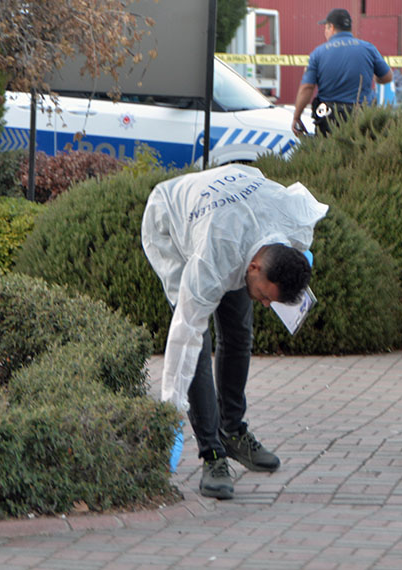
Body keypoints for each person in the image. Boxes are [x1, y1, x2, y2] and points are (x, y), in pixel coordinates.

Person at [141, 164, 328, 499]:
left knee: (239, 333)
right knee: (199, 344)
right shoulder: (212, 260)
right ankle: (212, 454)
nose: (268, 305)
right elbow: (185, 335)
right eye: (267, 297)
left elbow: (299, 245)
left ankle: (233, 431)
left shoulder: (287, 221)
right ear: (254, 267)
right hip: (170, 224)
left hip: (236, 214)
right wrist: (170, 414)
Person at [291, 8, 392, 137]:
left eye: (326, 28)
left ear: (331, 27)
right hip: (363, 119)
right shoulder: (368, 48)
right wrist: (376, 78)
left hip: (330, 121)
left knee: (328, 154)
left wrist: (297, 117)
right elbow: (387, 77)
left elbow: (307, 88)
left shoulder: (318, 53)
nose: (325, 32)